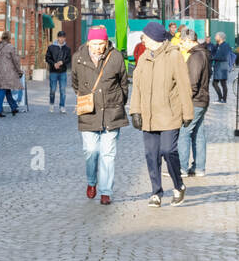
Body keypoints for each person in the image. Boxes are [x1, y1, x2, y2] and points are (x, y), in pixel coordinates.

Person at [126, 22, 193, 207]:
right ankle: (156, 192)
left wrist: (187, 112)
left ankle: (178, 186)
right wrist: (135, 112)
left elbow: (183, 85)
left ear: (155, 38)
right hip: (148, 115)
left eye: (145, 37)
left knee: (168, 150)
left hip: (169, 113)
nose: (143, 40)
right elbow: (136, 87)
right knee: (151, 154)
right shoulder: (143, 58)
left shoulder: (174, 56)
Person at [70, 26, 127, 205]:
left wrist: (119, 101)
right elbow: (75, 83)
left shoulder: (116, 57)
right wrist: (86, 97)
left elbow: (124, 83)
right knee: (91, 150)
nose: (98, 48)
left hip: (112, 112)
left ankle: (105, 191)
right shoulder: (78, 58)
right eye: (94, 44)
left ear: (106, 42)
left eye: (101, 44)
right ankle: (91, 181)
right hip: (89, 112)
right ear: (88, 43)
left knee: (108, 154)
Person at [177, 28, 210, 178]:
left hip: (194, 101)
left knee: (184, 133)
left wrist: (185, 100)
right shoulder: (203, 53)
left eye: (182, 42)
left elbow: (193, 83)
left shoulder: (196, 56)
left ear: (190, 41)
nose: (181, 45)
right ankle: (199, 168)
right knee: (198, 134)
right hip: (202, 99)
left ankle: (182, 168)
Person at [0, 32, 23, 117]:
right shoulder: (11, 47)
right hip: (7, 72)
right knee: (3, 89)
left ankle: (14, 107)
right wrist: (19, 71)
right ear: (9, 38)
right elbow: (16, 61)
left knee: (6, 89)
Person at [45, 31, 72, 113]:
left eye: (63, 37)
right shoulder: (51, 47)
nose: (62, 39)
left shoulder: (67, 48)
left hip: (63, 72)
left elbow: (69, 59)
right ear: (57, 37)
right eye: (60, 37)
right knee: (52, 90)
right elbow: (47, 58)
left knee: (63, 90)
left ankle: (62, 106)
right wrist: (54, 64)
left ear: (65, 38)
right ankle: (51, 104)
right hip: (53, 72)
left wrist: (62, 62)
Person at [210, 32, 233, 102]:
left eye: (216, 36)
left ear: (220, 37)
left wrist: (214, 58)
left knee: (223, 84)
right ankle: (220, 98)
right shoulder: (217, 45)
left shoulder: (225, 45)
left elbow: (225, 57)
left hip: (222, 67)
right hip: (217, 67)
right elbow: (213, 52)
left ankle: (224, 99)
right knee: (214, 83)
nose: (215, 37)